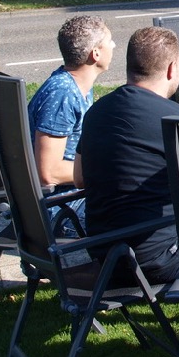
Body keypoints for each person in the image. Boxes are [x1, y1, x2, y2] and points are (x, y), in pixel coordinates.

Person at [74, 27, 179, 284]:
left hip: (105, 256)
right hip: (157, 260)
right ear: (172, 69)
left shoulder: (96, 112)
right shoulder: (176, 119)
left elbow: (80, 178)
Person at [27, 15, 114, 237]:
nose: (113, 45)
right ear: (95, 54)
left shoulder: (78, 85)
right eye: (109, 41)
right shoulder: (63, 93)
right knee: (145, 214)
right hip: (62, 210)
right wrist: (105, 170)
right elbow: (48, 172)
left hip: (74, 199)